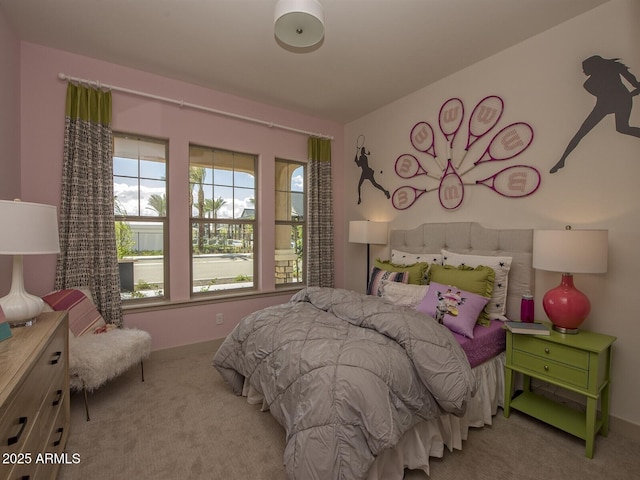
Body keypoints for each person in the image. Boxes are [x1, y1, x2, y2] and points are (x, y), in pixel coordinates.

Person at [551, 55, 640, 173]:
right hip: (610, 103)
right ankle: (562, 160)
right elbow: (608, 96)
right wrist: (630, 94)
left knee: (621, 128)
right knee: (582, 132)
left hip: (617, 102)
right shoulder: (591, 83)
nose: (583, 71)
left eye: (585, 68)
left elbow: (634, 85)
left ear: (593, 67)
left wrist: (630, 94)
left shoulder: (596, 80)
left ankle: (561, 161)